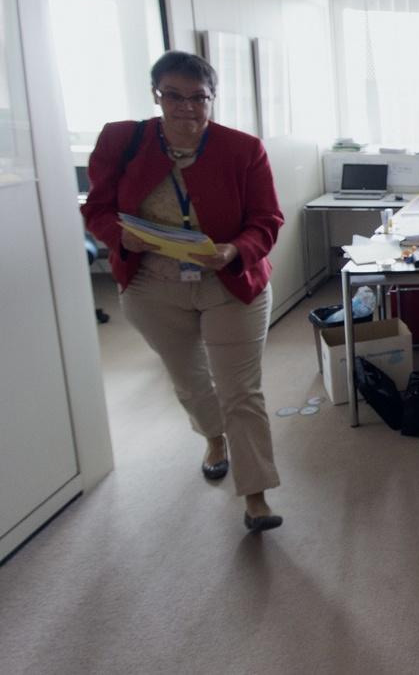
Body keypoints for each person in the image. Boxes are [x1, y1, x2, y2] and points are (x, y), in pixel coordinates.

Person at [82, 51, 286, 532]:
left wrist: (235, 251)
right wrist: (118, 236)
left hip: (230, 280)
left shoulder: (243, 149)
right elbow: (97, 208)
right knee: (190, 379)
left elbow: (267, 221)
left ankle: (255, 495)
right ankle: (213, 437)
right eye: (174, 95)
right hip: (153, 282)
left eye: (199, 97)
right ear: (157, 96)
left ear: (213, 98)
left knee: (241, 391)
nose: (186, 107)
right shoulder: (121, 140)